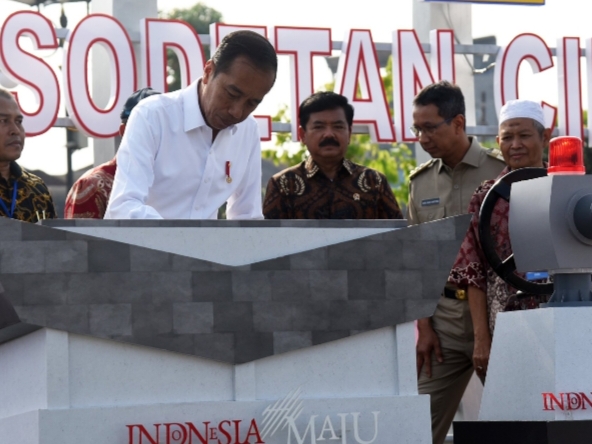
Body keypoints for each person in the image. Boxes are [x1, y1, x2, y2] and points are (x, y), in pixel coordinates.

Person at [408, 81, 505, 444]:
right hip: (444, 324)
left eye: (430, 127)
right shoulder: (421, 183)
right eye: (417, 128)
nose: (422, 137)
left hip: (498, 320)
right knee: (417, 427)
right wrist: (425, 327)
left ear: (459, 123)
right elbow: (416, 259)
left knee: (518, 420)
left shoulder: (499, 170)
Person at [105, 30, 278, 220]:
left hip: (208, 249)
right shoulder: (152, 116)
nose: (237, 111)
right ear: (208, 71)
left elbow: (247, 216)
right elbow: (123, 207)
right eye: (231, 94)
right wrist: (181, 243)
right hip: (145, 248)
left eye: (252, 103)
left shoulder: (248, 130)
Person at [448, 99, 551, 381]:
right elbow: (474, 274)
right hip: (505, 324)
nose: (515, 144)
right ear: (498, 141)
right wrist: (482, 339)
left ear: (545, 137)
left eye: (524, 135)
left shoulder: (568, 190)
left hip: (564, 317)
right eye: (508, 137)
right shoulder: (484, 198)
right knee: (516, 412)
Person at [263, 92, 402, 219]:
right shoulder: (284, 184)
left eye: (338, 126)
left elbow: (398, 237)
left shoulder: (374, 181)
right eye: (319, 127)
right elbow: (270, 240)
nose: (329, 134)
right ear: (302, 135)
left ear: (349, 133)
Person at [64, 88, 161, 219]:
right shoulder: (92, 186)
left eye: (164, 128)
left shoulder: (180, 180)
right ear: (123, 131)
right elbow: (79, 239)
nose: (158, 135)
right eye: (146, 129)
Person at [0, 88, 55, 222]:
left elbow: (54, 241)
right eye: (3, 121)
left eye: (18, 122)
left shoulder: (37, 188)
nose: (15, 131)